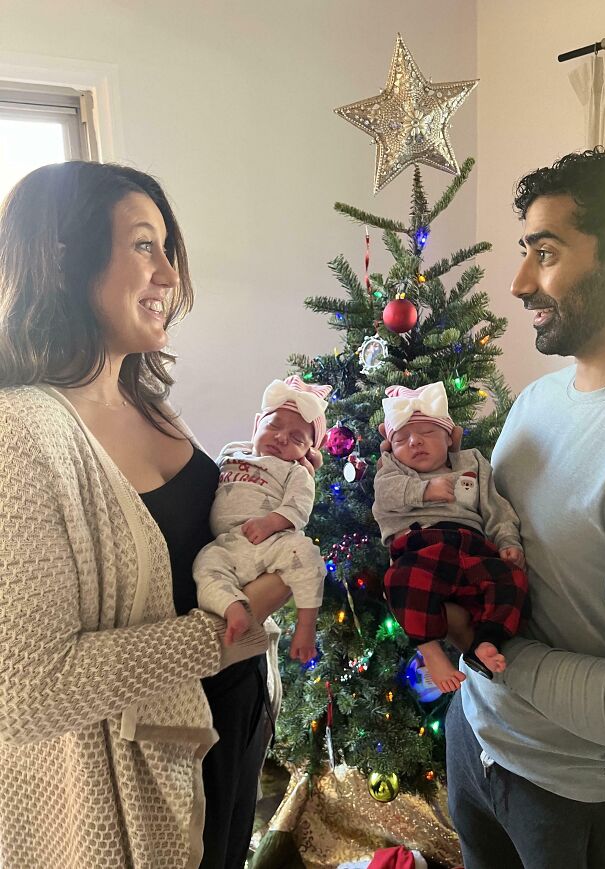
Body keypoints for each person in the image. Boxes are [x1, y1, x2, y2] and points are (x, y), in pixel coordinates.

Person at [0, 161, 298, 869]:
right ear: (64, 256)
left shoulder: (145, 397)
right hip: (131, 783)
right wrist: (224, 631)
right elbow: (28, 690)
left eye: (168, 247)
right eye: (143, 244)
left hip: (226, 727)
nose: (170, 273)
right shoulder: (22, 434)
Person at [446, 146, 605, 869]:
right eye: (526, 252)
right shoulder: (539, 398)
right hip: (480, 739)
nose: (521, 282)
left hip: (586, 801)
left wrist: (494, 653)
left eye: (546, 253)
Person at [372, 380, 528, 692]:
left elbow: (496, 508)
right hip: (421, 547)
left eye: (428, 433)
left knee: (512, 581)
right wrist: (424, 490)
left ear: (450, 437)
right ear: (391, 447)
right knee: (401, 581)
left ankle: (487, 641)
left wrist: (508, 541)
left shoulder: (471, 463)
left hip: (472, 549)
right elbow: (384, 496)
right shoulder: (392, 468)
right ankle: (430, 650)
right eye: (402, 439)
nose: (415, 442)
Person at [194, 375, 329, 662]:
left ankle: (305, 627)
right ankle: (233, 608)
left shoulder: (295, 472)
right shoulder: (231, 453)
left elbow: (299, 507)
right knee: (205, 566)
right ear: (256, 425)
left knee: (306, 555)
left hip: (271, 540)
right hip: (227, 543)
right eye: (274, 426)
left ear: (307, 453)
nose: (281, 438)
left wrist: (271, 523)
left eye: (296, 439)